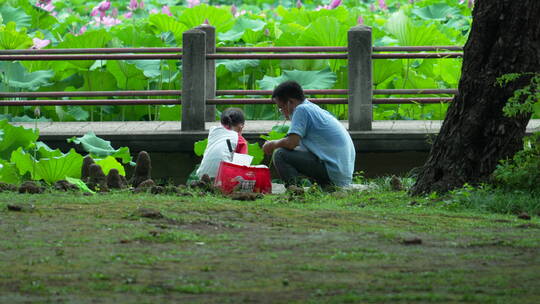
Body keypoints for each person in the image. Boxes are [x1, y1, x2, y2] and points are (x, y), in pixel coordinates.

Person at [262, 81, 355, 187]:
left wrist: (272, 144)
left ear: (290, 102)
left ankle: (295, 191)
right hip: (340, 173)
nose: (282, 112)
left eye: (281, 107)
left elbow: (292, 143)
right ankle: (322, 186)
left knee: (280, 154)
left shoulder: (301, 110)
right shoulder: (312, 108)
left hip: (332, 171)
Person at [196, 107, 248, 179]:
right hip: (223, 178)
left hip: (201, 175)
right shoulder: (240, 140)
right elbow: (242, 166)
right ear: (241, 127)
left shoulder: (213, 132)